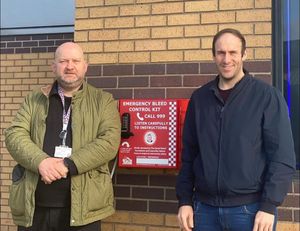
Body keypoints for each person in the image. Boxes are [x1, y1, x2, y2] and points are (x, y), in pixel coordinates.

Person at [176, 28, 296, 231]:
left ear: (244, 54)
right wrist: (185, 200)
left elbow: (282, 157)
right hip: (204, 211)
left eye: (233, 53)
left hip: (250, 211)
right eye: (221, 52)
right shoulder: (200, 99)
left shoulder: (266, 96)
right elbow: (189, 154)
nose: (226, 59)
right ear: (213, 55)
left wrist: (269, 205)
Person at [5, 42, 121, 231]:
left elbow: (109, 142)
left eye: (75, 61)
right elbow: (14, 135)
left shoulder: (103, 100)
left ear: (85, 66)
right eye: (63, 61)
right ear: (54, 66)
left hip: (84, 210)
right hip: (34, 207)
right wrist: (41, 162)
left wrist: (66, 165)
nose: (70, 66)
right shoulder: (34, 99)